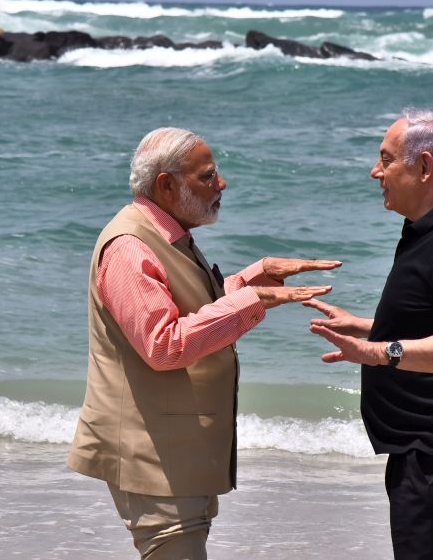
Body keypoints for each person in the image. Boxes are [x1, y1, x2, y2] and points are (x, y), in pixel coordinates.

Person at [67, 127, 340, 560]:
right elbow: (163, 344)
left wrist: (254, 279)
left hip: (173, 451)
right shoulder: (129, 247)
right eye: (208, 176)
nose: (222, 184)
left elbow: (189, 309)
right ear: (166, 185)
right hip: (150, 456)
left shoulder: (166, 233)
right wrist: (252, 300)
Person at [305, 108, 433, 559]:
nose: (375, 171)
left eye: (386, 160)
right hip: (432, 449)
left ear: (424, 167)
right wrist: (369, 329)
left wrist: (382, 351)